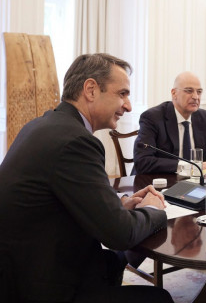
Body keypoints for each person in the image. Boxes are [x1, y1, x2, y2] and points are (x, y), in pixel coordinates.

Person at [0, 54, 173, 303]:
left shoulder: (43, 126)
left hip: (26, 266)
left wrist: (117, 206)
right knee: (160, 297)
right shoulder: (75, 141)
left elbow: (61, 199)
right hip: (44, 284)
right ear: (91, 90)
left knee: (118, 256)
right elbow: (120, 234)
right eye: (122, 94)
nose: (128, 106)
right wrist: (154, 210)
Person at [133, 71, 206, 174]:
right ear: (174, 93)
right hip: (158, 182)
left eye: (199, 92)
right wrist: (190, 167)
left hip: (195, 182)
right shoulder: (153, 117)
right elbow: (143, 161)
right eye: (189, 91)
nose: (195, 97)